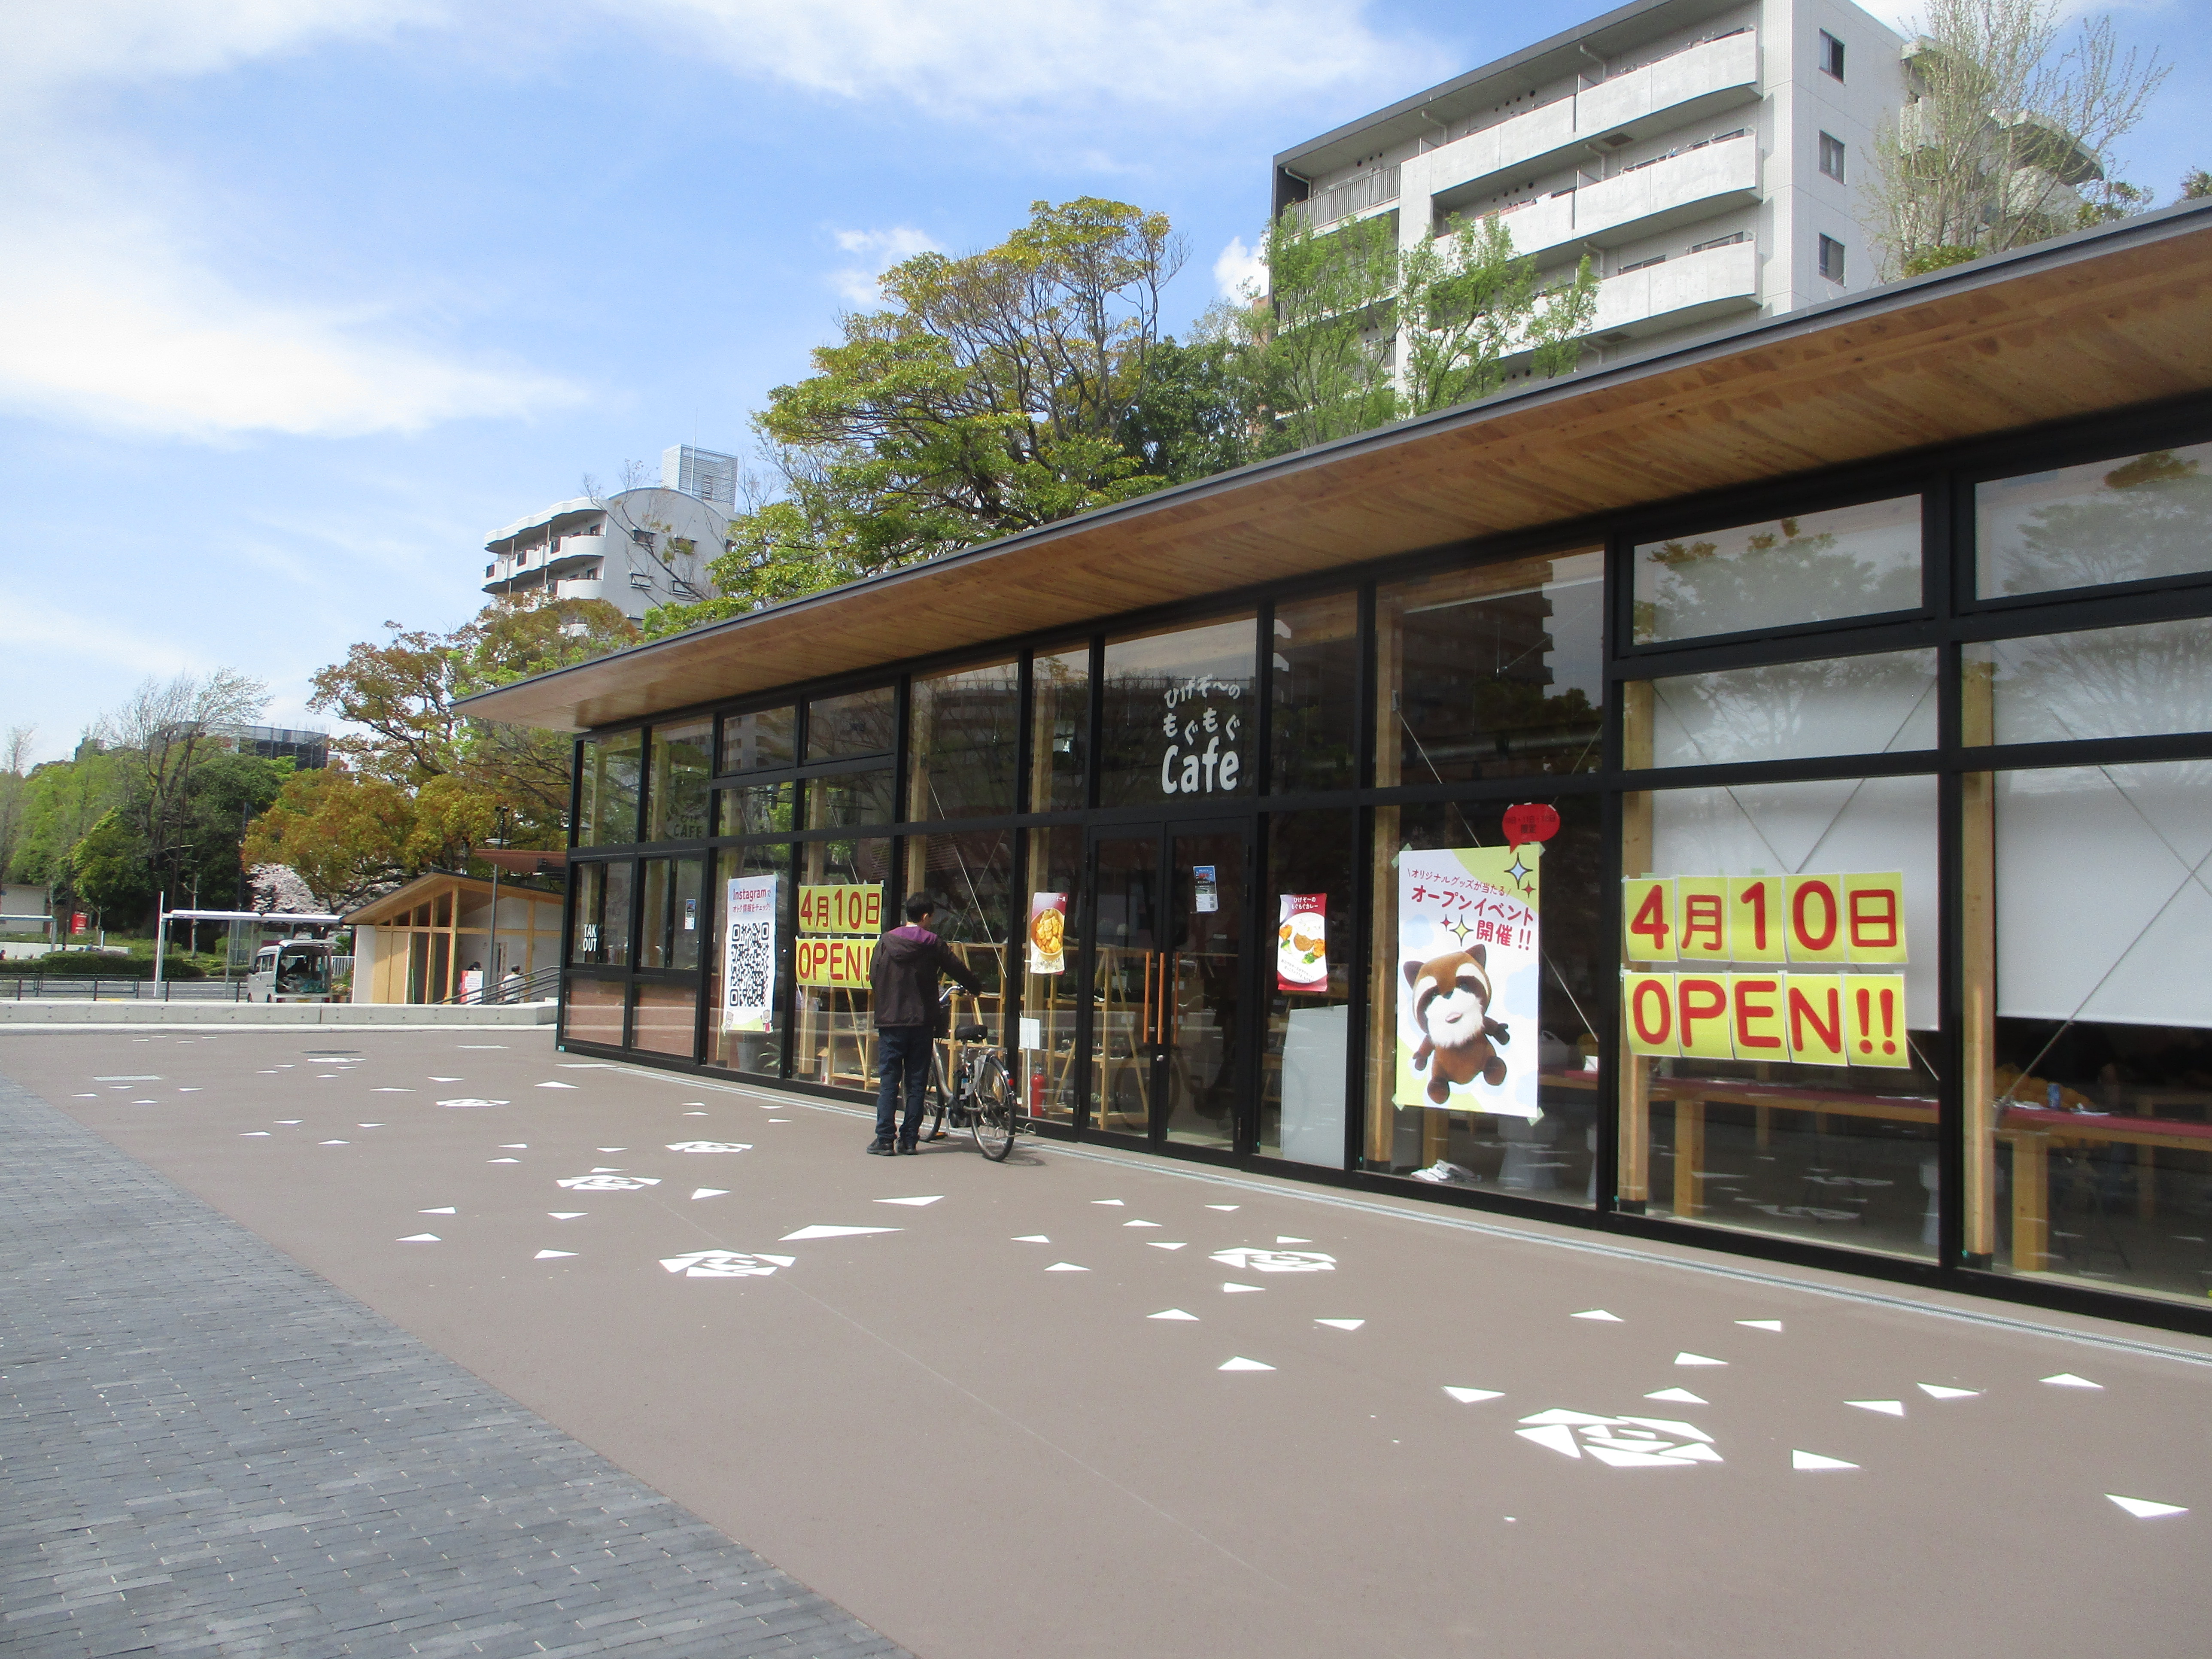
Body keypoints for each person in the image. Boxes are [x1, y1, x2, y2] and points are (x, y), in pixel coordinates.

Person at [867, 892, 981, 1155]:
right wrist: (976, 987)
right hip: (920, 1022)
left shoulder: (886, 941)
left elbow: (874, 976)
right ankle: (909, 1141)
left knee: (889, 1081)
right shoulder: (932, 943)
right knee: (917, 1082)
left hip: (891, 1021)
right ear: (926, 916)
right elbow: (957, 969)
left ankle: (884, 1139)